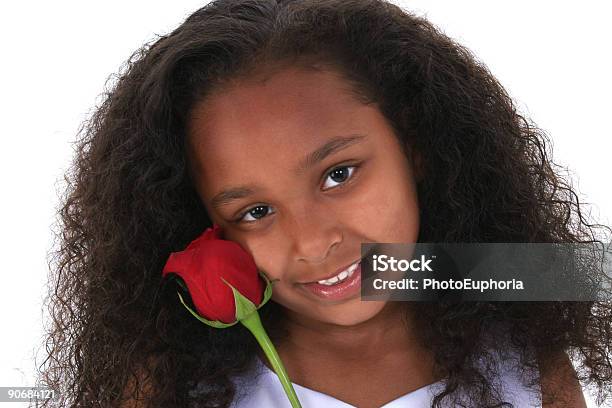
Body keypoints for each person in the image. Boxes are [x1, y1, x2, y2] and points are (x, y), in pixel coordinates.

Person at [40, 0, 612, 407]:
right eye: (255, 212)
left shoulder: (522, 349)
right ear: (205, 226)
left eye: (339, 174)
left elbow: (574, 273)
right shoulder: (172, 388)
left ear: (415, 144)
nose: (314, 242)